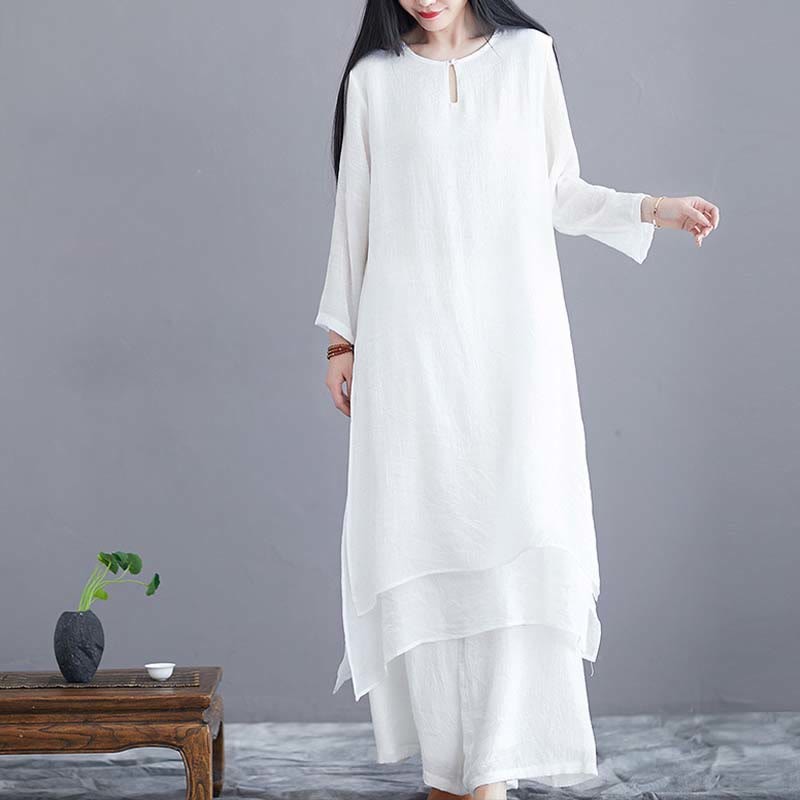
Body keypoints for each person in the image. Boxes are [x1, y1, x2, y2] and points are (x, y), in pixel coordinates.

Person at [314, 2, 720, 798]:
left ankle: (492, 771)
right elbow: (353, 215)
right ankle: (447, 769)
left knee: (517, 536)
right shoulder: (374, 82)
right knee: (420, 535)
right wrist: (341, 341)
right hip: (410, 354)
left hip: (516, 355)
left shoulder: (529, 58)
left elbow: (558, 190)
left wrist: (652, 209)